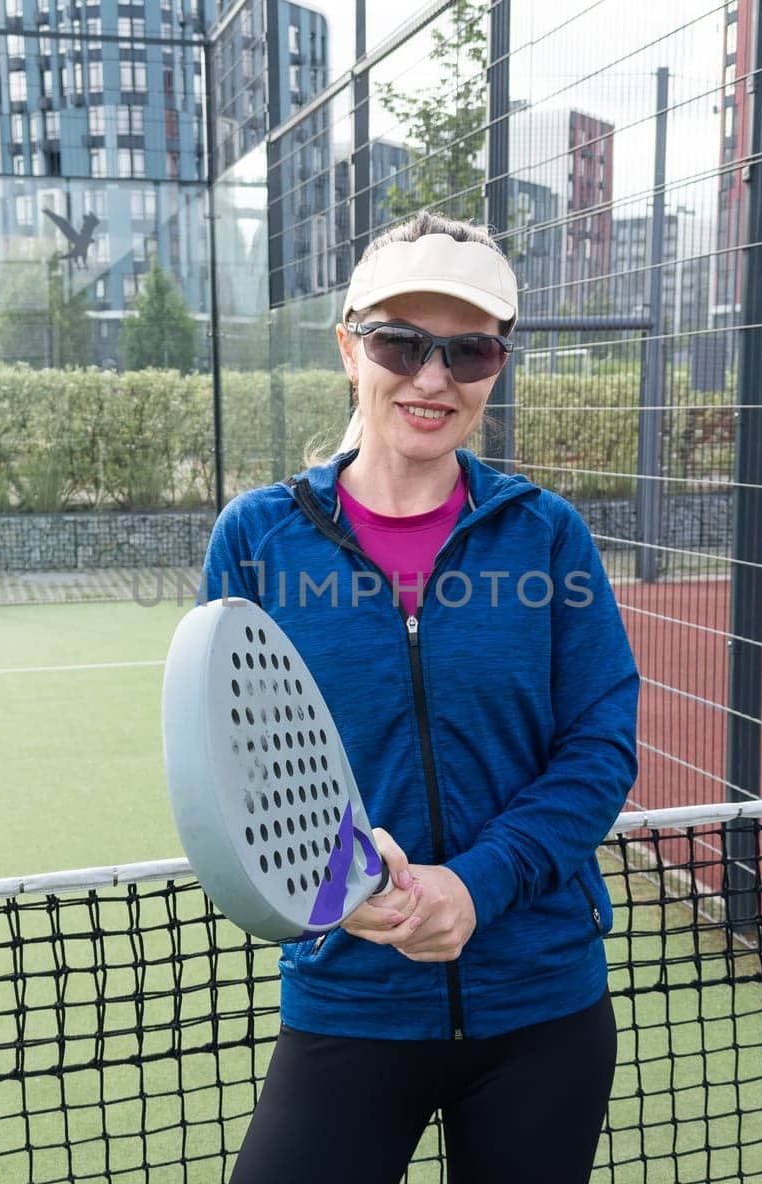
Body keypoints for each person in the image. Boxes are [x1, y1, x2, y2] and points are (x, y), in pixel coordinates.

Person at [199, 211, 639, 1183]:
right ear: (350, 346)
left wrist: (474, 886)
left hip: (542, 1006)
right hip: (351, 999)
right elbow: (239, 761)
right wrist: (339, 883)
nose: (433, 378)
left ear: (498, 363)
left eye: (469, 349)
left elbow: (599, 747)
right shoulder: (260, 538)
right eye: (401, 342)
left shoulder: (547, 537)